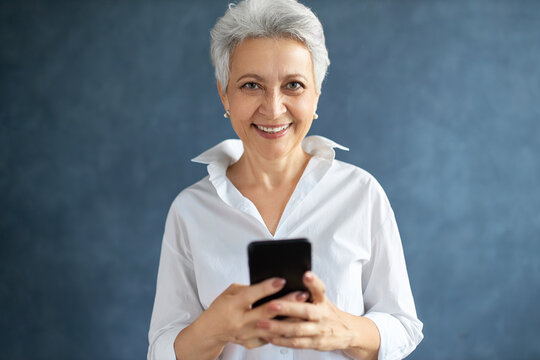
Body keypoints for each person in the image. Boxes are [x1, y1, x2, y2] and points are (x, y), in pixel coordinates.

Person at [147, 0, 423, 359]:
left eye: (293, 84)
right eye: (251, 85)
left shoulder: (361, 194)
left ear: (316, 94)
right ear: (224, 93)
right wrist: (213, 330)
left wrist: (343, 330)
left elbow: (404, 327)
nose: (273, 108)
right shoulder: (189, 211)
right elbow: (160, 351)